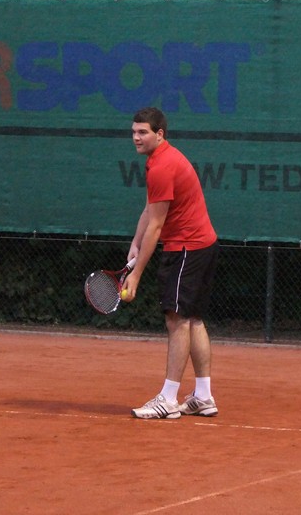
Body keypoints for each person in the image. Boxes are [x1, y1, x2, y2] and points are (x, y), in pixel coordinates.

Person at [121, 106, 220, 420]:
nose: (136, 137)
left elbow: (157, 225)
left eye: (143, 132)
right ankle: (203, 396)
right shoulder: (160, 160)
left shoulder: (162, 166)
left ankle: (167, 398)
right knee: (193, 320)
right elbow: (149, 210)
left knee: (177, 321)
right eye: (134, 132)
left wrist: (136, 274)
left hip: (187, 248)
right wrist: (135, 243)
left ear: (159, 134)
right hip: (203, 244)